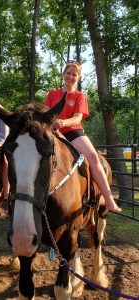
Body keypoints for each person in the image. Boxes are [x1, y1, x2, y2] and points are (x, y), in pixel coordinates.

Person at [44, 60, 122, 213]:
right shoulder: (53, 94)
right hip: (54, 131)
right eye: (68, 73)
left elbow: (78, 118)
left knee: (93, 156)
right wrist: (51, 122)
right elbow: (46, 111)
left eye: (74, 74)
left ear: (78, 78)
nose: (70, 76)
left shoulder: (80, 96)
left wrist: (63, 122)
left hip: (73, 131)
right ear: (63, 74)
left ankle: (108, 199)